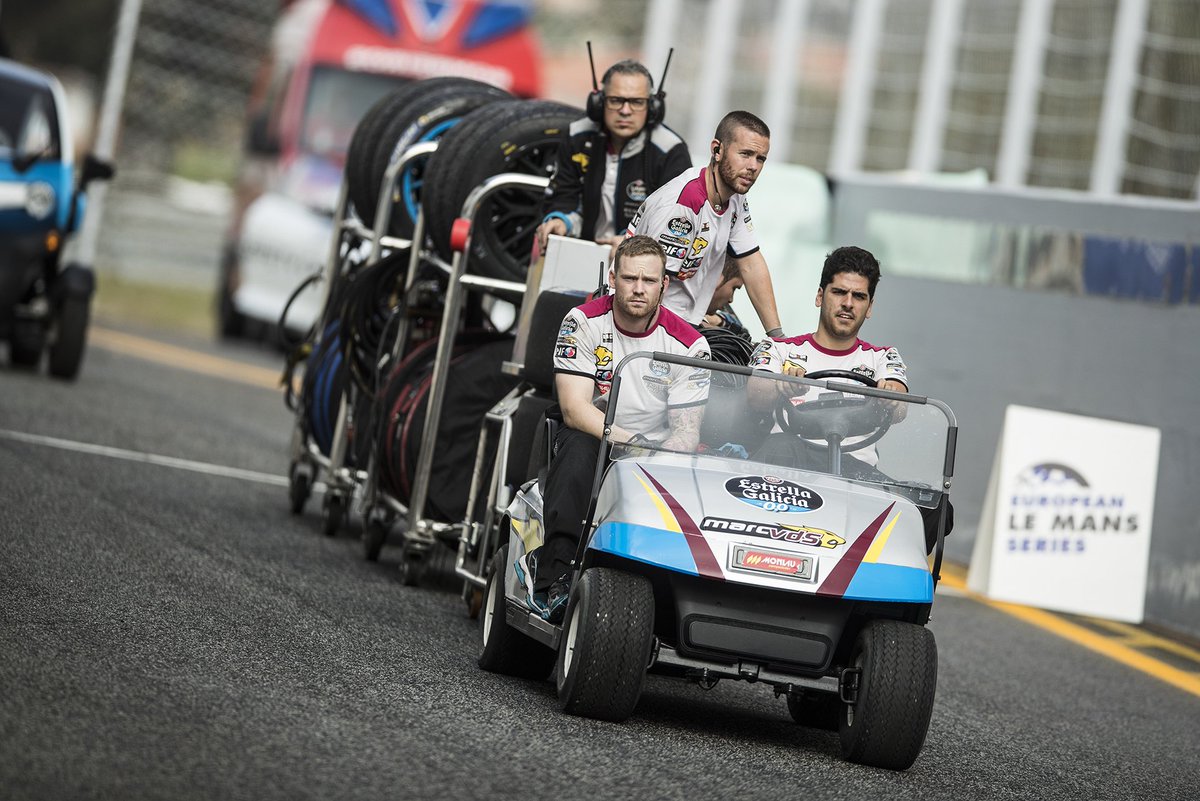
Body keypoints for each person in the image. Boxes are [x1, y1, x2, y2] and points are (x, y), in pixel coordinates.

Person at [516, 235, 711, 621]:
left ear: (664, 286)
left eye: (649, 281)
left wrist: (649, 453)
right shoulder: (582, 321)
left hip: (658, 449)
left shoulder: (690, 345)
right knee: (578, 453)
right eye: (629, 278)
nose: (638, 288)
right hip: (594, 432)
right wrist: (628, 443)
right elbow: (574, 410)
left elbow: (686, 433)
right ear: (613, 279)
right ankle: (552, 577)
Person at [747, 245, 953, 551]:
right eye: (839, 292)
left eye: (859, 297)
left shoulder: (883, 358)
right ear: (820, 296)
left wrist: (889, 395)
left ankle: (889, 587)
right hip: (791, 465)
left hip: (854, 471)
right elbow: (756, 396)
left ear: (869, 307)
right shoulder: (779, 349)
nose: (847, 304)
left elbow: (899, 405)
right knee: (779, 448)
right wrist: (781, 385)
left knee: (936, 508)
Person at [626, 110, 783, 338]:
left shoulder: (735, 196)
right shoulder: (684, 204)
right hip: (646, 325)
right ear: (716, 150)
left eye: (761, 158)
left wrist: (778, 339)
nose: (753, 166)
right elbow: (650, 288)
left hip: (681, 323)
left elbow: (751, 263)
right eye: (746, 154)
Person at [535, 60, 691, 253]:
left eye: (636, 102)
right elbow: (564, 193)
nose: (625, 111)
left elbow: (675, 221)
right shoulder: (578, 136)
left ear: (653, 107)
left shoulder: (670, 150)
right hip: (580, 253)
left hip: (641, 265)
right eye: (616, 100)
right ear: (599, 103)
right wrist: (561, 221)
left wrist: (633, 241)